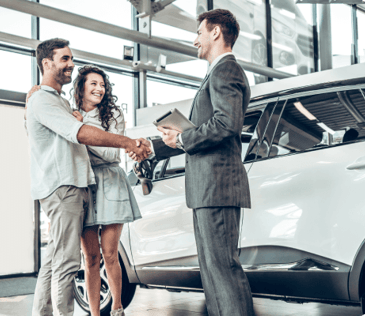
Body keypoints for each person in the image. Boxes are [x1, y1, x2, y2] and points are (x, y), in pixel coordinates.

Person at [130, 8, 254, 316]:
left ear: (215, 32)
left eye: (199, 32)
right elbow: (200, 131)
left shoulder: (226, 70)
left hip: (217, 187)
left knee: (221, 268)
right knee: (212, 270)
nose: (195, 38)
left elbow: (226, 125)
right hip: (208, 189)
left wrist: (184, 139)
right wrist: (156, 145)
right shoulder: (217, 72)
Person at [26, 38, 150, 316]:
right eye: (65, 59)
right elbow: (78, 134)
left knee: (54, 260)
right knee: (69, 262)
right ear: (47, 63)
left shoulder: (57, 101)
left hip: (79, 186)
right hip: (63, 188)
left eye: (72, 59)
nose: (71, 64)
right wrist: (127, 143)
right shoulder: (45, 101)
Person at [72, 65, 142, 316]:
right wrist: (76, 126)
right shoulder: (71, 115)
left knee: (110, 253)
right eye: (93, 84)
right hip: (84, 184)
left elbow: (112, 152)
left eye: (102, 85)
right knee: (90, 258)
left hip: (111, 181)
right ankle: (94, 313)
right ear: (81, 88)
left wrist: (82, 134)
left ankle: (117, 307)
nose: (99, 89)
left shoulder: (113, 115)